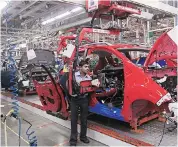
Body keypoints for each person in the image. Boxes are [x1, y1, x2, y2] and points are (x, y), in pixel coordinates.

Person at [69, 59, 92, 146]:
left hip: (84, 100)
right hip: (75, 100)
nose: (87, 68)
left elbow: (90, 89)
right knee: (74, 120)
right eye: (85, 66)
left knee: (84, 119)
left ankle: (83, 137)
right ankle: (73, 140)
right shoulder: (73, 76)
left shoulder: (89, 78)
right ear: (80, 67)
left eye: (88, 67)